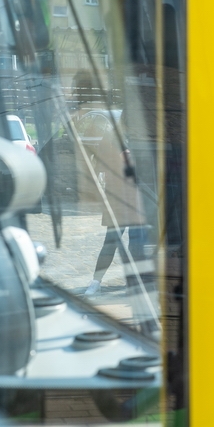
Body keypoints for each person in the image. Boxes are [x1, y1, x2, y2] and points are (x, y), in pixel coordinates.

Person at [85, 117, 147, 295]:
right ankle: (99, 282)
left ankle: (122, 282)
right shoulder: (116, 139)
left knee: (129, 243)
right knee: (120, 242)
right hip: (125, 198)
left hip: (128, 197)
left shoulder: (117, 137)